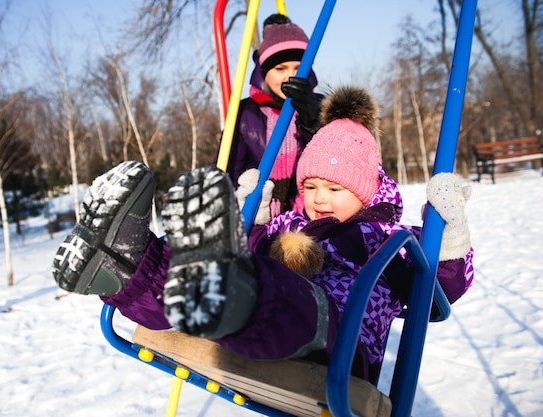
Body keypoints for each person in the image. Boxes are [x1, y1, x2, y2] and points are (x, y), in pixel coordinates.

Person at [52, 85, 474, 385]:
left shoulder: (386, 238)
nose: (319, 199)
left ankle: (227, 291)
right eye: (310, 186)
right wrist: (253, 223)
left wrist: (450, 239)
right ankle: (124, 264)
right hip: (267, 318)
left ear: (364, 192)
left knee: (280, 292)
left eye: (335, 189)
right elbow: (252, 250)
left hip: (345, 346)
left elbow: (439, 285)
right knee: (223, 269)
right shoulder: (291, 224)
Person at [217, 13, 323, 218]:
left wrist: (313, 124)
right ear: (264, 72)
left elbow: (336, 163)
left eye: (299, 67)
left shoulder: (320, 106)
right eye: (280, 68)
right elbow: (228, 173)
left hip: (309, 214)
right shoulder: (245, 113)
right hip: (257, 216)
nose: (291, 76)